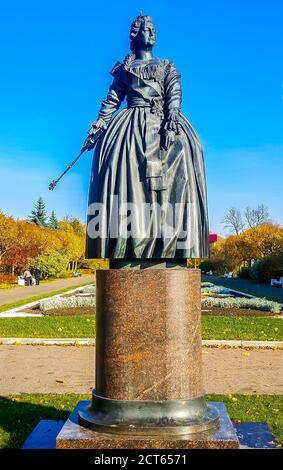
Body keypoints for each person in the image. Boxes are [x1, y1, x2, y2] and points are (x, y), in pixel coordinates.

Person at [85, 14, 209, 260]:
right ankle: (126, 243)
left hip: (163, 122)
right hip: (130, 127)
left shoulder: (167, 66)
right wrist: (99, 124)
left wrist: (172, 113)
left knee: (184, 155)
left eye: (154, 29)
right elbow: (112, 100)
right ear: (135, 35)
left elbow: (174, 91)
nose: (151, 33)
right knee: (119, 172)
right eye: (146, 29)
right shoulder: (125, 69)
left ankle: (172, 244)